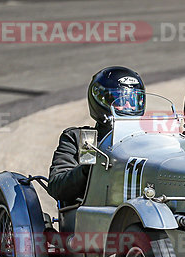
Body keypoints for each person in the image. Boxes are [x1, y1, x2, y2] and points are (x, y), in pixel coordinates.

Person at [47, 66, 145, 203]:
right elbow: (56, 187)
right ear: (100, 99)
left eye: (133, 100)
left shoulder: (148, 140)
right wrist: (89, 168)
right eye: (119, 99)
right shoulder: (81, 138)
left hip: (142, 209)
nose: (128, 106)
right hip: (89, 212)